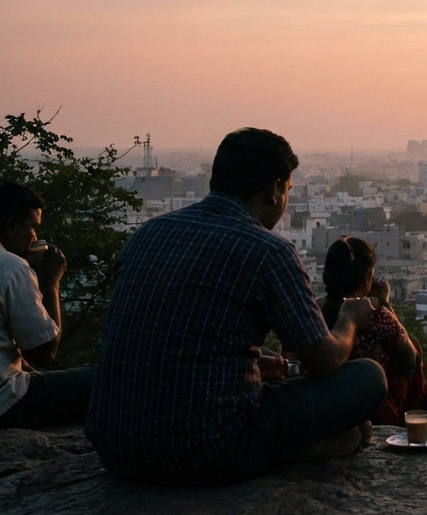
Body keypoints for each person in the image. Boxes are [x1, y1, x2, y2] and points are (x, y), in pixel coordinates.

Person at [85, 128, 387, 486]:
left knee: (267, 356)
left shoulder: (148, 234)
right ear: (275, 189)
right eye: (288, 190)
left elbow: (175, 333)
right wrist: (349, 319)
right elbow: (323, 361)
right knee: (368, 376)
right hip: (205, 448)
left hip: (116, 449)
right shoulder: (268, 251)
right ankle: (300, 447)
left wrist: (257, 361)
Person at [0, 180, 92, 428]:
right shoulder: (11, 267)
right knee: (106, 379)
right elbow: (44, 353)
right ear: (11, 224)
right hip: (7, 403)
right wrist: (50, 283)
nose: (35, 237)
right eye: (32, 227)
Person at [319, 236, 426, 425]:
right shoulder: (376, 316)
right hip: (370, 410)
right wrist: (384, 303)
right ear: (367, 277)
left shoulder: (313, 310)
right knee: (413, 349)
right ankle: (412, 419)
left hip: (322, 405)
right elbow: (410, 359)